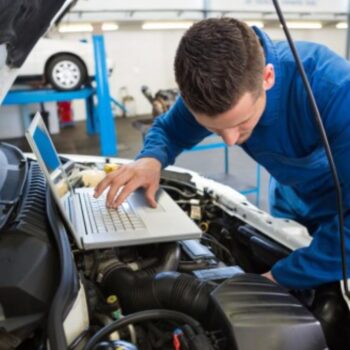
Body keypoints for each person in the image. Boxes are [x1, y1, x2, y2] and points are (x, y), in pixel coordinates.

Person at [94, 17, 350, 290]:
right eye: (214, 129)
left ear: (268, 77)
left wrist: (278, 279)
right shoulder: (209, 90)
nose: (230, 140)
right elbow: (169, 131)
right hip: (289, 201)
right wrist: (151, 159)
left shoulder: (334, 91)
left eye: (241, 123)